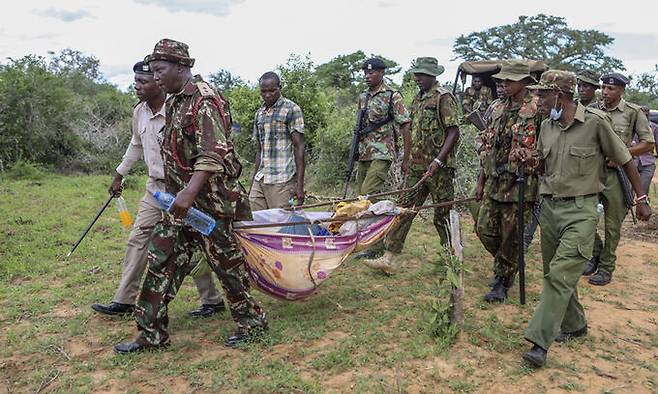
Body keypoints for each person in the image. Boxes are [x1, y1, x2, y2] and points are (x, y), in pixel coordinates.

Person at [114, 39, 267, 353]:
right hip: (180, 205)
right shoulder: (173, 101)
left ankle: (251, 322)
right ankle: (151, 333)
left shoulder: (205, 101)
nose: (156, 77)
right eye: (153, 71)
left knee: (227, 266)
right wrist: (176, 197)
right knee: (161, 259)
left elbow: (213, 155)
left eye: (160, 70)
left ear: (181, 67)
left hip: (210, 205)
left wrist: (187, 193)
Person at [520, 70, 651, 367]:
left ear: (561, 95)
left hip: (581, 211)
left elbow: (626, 159)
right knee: (556, 273)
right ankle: (575, 324)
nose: (537, 99)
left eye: (542, 94)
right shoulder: (546, 127)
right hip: (549, 209)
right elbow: (543, 167)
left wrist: (641, 199)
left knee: (559, 275)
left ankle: (539, 342)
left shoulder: (595, 123)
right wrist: (530, 162)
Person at [91, 61, 224, 319]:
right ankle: (124, 300)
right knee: (138, 238)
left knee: (194, 245)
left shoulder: (179, 108)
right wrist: (119, 173)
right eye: (136, 81)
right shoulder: (139, 112)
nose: (137, 86)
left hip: (185, 190)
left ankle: (212, 300)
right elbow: (135, 144)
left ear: (158, 81)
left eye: (143, 82)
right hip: (155, 190)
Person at [364, 57, 459, 274]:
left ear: (433, 75)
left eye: (422, 74)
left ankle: (452, 258)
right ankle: (390, 258)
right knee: (404, 210)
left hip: (439, 168)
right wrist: (406, 159)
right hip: (417, 166)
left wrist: (438, 160)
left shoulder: (443, 98)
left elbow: (453, 131)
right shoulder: (417, 99)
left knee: (442, 213)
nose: (417, 78)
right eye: (416, 74)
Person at [475, 60, 542, 302]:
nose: (503, 84)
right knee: (484, 229)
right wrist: (480, 181)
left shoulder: (537, 109)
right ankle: (508, 264)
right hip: (494, 180)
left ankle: (502, 280)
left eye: (509, 80)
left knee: (511, 235)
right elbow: (487, 146)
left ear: (524, 82)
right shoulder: (496, 107)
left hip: (520, 184)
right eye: (502, 80)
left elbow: (545, 148)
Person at [584, 73, 655, 285]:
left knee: (613, 226)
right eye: (604, 87)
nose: (606, 92)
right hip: (591, 172)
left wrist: (624, 153)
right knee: (584, 216)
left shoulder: (632, 112)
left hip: (618, 174)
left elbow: (648, 143)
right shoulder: (592, 110)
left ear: (622, 90)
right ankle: (594, 253)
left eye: (611, 89)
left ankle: (606, 267)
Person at [352, 58, 412, 259]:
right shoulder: (363, 97)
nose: (367, 76)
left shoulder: (392, 95)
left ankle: (374, 243)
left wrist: (406, 158)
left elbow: (405, 125)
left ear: (381, 73)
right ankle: (371, 242)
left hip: (383, 152)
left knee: (367, 195)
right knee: (363, 197)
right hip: (364, 152)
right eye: (365, 73)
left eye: (371, 73)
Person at [249, 71, 305, 210]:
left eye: (272, 91)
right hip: (261, 178)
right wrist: (253, 180)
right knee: (253, 220)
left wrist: (299, 185)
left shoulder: (291, 109)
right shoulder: (259, 113)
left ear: (280, 88)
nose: (268, 95)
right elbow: (259, 150)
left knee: (280, 224)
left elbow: (299, 147)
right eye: (264, 91)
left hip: (282, 179)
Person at [632, 106, 658, 196]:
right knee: (628, 191)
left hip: (647, 162)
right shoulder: (631, 127)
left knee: (643, 191)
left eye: (646, 115)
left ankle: (643, 206)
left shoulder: (654, 127)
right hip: (631, 162)